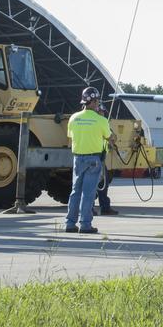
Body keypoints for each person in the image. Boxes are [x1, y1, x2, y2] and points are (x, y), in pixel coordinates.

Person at [65, 86, 114, 234]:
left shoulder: (73, 118)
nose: (98, 103)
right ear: (93, 101)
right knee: (88, 193)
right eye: (97, 101)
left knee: (75, 192)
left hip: (78, 158)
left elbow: (70, 138)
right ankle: (85, 224)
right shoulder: (101, 120)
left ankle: (70, 223)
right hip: (93, 159)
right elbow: (110, 137)